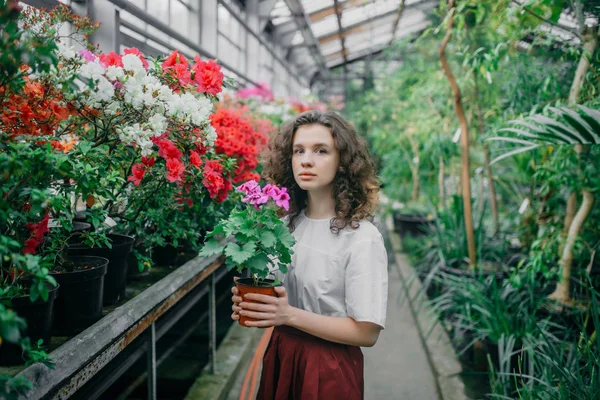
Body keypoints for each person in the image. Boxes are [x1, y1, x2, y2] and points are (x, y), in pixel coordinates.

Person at [231, 110, 388, 399]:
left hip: (328, 365)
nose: (306, 160)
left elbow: (367, 333)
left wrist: (288, 315)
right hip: (281, 354)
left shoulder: (361, 238)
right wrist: (253, 305)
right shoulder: (285, 225)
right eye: (298, 150)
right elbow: (277, 297)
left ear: (343, 162)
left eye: (321, 151)